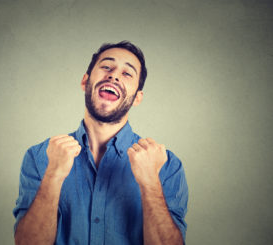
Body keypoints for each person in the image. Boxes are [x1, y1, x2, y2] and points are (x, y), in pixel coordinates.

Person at [13, 41, 188, 245]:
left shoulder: (166, 165)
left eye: (127, 73)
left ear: (137, 98)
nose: (114, 75)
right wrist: (53, 175)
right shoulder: (40, 156)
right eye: (106, 66)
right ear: (85, 82)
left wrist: (150, 183)